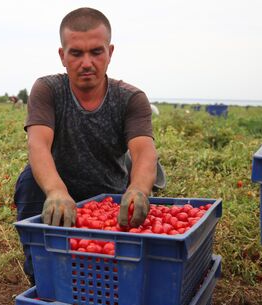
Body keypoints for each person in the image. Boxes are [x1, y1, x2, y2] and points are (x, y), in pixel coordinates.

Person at [14, 7, 158, 283]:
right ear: (62, 56)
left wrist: (139, 188)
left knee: (105, 271)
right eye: (76, 53)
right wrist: (56, 190)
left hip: (107, 193)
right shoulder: (48, 90)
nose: (87, 62)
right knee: (30, 180)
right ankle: (41, 274)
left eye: (96, 52)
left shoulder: (130, 98)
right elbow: (38, 144)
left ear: (110, 52)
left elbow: (144, 151)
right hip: (56, 186)